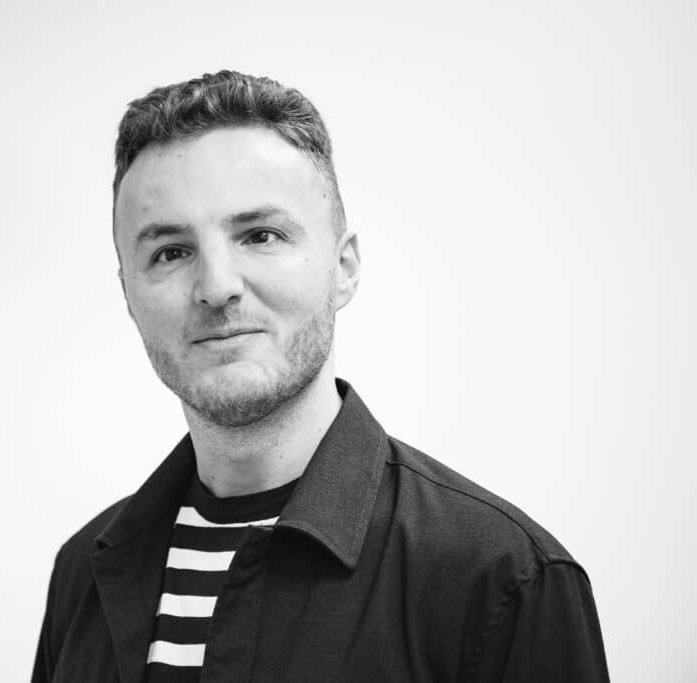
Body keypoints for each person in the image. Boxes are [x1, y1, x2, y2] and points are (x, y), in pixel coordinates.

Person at [32, 70, 609, 682]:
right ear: (128, 294)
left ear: (344, 267)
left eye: (261, 235)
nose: (217, 287)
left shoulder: (502, 578)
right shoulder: (84, 571)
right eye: (170, 252)